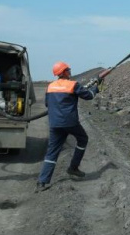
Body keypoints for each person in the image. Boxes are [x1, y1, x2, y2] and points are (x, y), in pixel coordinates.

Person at [36, 61, 98, 192]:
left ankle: (42, 182)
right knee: (83, 139)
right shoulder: (73, 85)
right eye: (68, 69)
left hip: (55, 124)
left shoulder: (50, 86)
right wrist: (96, 88)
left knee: (52, 152)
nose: (70, 71)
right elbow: (89, 96)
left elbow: (48, 104)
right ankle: (73, 168)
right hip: (70, 122)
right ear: (63, 72)